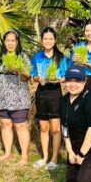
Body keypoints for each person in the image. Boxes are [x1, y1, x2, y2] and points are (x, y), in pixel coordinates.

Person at [31, 27, 68, 170]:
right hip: (41, 93)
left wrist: (58, 80)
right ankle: (45, 157)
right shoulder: (37, 57)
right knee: (44, 127)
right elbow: (33, 76)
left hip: (55, 94)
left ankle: (54, 159)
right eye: (45, 39)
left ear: (55, 40)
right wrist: (37, 78)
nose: (48, 41)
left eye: (51, 39)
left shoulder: (61, 57)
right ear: (41, 40)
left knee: (55, 128)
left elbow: (66, 77)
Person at [0, 30, 32, 164]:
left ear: (17, 42)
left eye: (13, 40)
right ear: (4, 42)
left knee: (21, 126)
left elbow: (28, 76)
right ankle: (8, 153)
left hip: (19, 98)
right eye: (8, 40)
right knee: (5, 124)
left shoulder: (22, 56)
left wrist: (19, 69)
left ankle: (24, 157)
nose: (10, 43)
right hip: (2, 97)